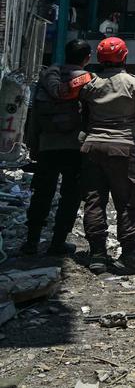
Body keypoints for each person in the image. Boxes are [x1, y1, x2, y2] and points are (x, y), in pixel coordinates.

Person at [77, 37, 135, 275]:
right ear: (125, 56)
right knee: (128, 203)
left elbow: (82, 117)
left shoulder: (90, 84)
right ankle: (130, 257)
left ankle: (97, 255)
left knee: (94, 201)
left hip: (92, 148)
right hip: (123, 149)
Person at [21, 38, 92, 256]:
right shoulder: (88, 81)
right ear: (87, 59)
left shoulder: (47, 78)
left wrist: (33, 145)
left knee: (42, 194)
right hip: (75, 147)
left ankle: (31, 242)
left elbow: (34, 115)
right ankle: (57, 243)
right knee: (70, 196)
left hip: (47, 146)